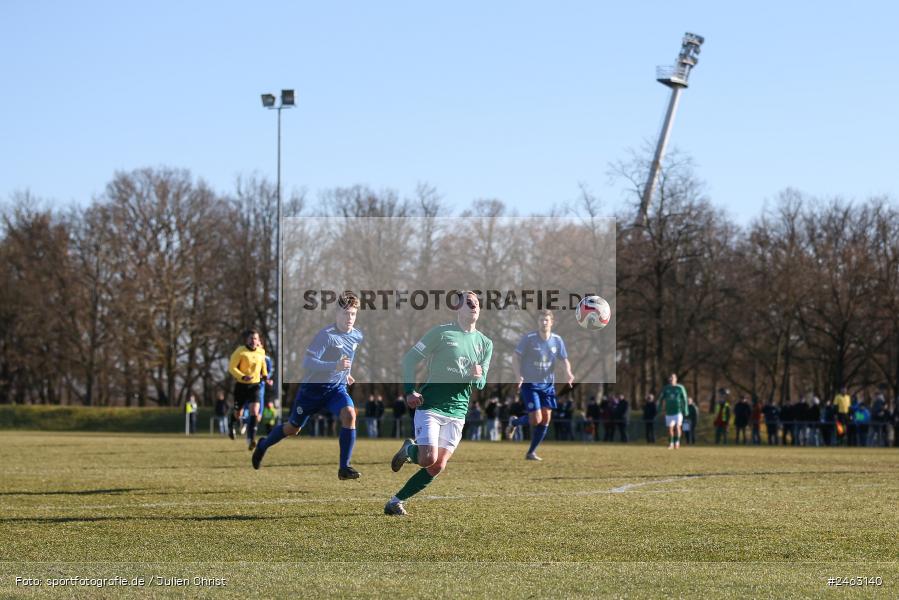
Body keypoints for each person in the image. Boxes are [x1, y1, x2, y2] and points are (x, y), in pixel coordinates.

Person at [385, 291, 493, 516]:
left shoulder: (485, 343)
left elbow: (481, 385)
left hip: (458, 410)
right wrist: (408, 391)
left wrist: (478, 376)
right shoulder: (441, 333)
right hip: (431, 405)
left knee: (437, 466)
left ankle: (395, 502)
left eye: (477, 303)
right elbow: (409, 359)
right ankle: (409, 449)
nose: (474, 305)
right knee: (427, 458)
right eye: (469, 302)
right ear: (458, 308)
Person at [252, 291, 363, 480]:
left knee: (350, 414)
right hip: (312, 391)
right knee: (293, 429)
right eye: (346, 313)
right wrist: (334, 366)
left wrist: (346, 373)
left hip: (336, 390)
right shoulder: (325, 336)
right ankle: (263, 444)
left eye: (353, 314)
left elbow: (345, 358)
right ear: (337, 313)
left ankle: (344, 467)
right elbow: (308, 363)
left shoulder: (357, 336)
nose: (349, 318)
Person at [505, 310, 574, 460]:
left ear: (551, 322)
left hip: (548, 385)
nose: (544, 323)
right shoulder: (529, 339)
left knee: (546, 418)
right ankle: (514, 422)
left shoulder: (557, 340)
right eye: (541, 320)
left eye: (546, 320)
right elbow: (515, 357)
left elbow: (564, 360)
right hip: (530, 384)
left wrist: (568, 373)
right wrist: (518, 376)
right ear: (538, 322)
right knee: (535, 419)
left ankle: (531, 452)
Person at [228, 329, 268, 448]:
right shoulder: (240, 351)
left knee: (255, 411)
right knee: (238, 413)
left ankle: (251, 438)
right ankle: (231, 424)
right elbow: (231, 367)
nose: (253, 341)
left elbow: (263, 364)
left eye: (255, 338)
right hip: (241, 385)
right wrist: (242, 376)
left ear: (258, 340)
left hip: (255, 385)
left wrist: (265, 375)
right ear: (246, 340)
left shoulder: (261, 352)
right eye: (251, 338)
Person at [659, 374, 688, 449]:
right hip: (669, 412)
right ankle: (671, 443)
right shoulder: (666, 388)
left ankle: (677, 442)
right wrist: (659, 408)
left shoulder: (680, 388)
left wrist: (685, 409)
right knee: (670, 428)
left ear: (676, 379)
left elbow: (684, 399)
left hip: (678, 411)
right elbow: (661, 398)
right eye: (670, 378)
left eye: (673, 378)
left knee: (678, 427)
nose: (671, 380)